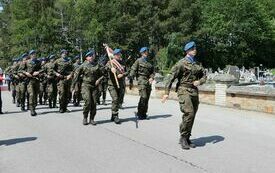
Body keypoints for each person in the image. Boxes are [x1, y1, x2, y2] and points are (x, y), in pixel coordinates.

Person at [162, 41, 206, 150]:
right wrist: (166, 93)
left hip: (194, 91)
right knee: (189, 113)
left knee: (192, 115)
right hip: (183, 90)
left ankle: (187, 136)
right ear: (187, 51)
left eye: (195, 48)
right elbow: (170, 77)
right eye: (192, 49)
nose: (194, 50)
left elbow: (204, 76)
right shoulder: (181, 63)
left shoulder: (198, 63)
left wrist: (199, 82)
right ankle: (183, 137)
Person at [72, 51, 103, 125]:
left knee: (94, 103)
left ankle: (92, 119)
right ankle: (85, 117)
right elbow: (76, 76)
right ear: (86, 57)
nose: (92, 57)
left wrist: (98, 80)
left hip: (94, 86)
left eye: (92, 55)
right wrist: (73, 86)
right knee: (88, 101)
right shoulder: (83, 65)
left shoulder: (97, 65)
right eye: (90, 56)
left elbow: (102, 75)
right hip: (86, 85)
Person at [129, 47, 155, 120]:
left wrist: (152, 77)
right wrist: (130, 77)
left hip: (148, 81)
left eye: (146, 52)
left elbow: (153, 72)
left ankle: (144, 113)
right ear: (141, 53)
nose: (146, 53)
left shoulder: (150, 62)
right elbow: (133, 69)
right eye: (144, 52)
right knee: (143, 96)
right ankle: (140, 113)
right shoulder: (138, 61)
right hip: (141, 80)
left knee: (147, 98)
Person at [105, 48, 128, 124]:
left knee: (119, 101)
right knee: (115, 98)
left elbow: (128, 71)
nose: (119, 55)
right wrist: (111, 69)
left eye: (119, 54)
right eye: (117, 54)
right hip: (112, 84)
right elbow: (105, 69)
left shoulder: (123, 63)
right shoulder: (110, 62)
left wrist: (123, 74)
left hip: (120, 84)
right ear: (114, 55)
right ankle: (115, 116)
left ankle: (113, 114)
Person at [23, 50, 42, 116]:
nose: (34, 55)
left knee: (36, 95)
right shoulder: (26, 62)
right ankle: (32, 110)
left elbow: (42, 69)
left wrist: (38, 72)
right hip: (29, 80)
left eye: (34, 54)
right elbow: (21, 70)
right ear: (30, 55)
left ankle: (34, 106)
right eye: (32, 54)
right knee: (31, 94)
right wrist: (26, 73)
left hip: (36, 80)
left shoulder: (38, 62)